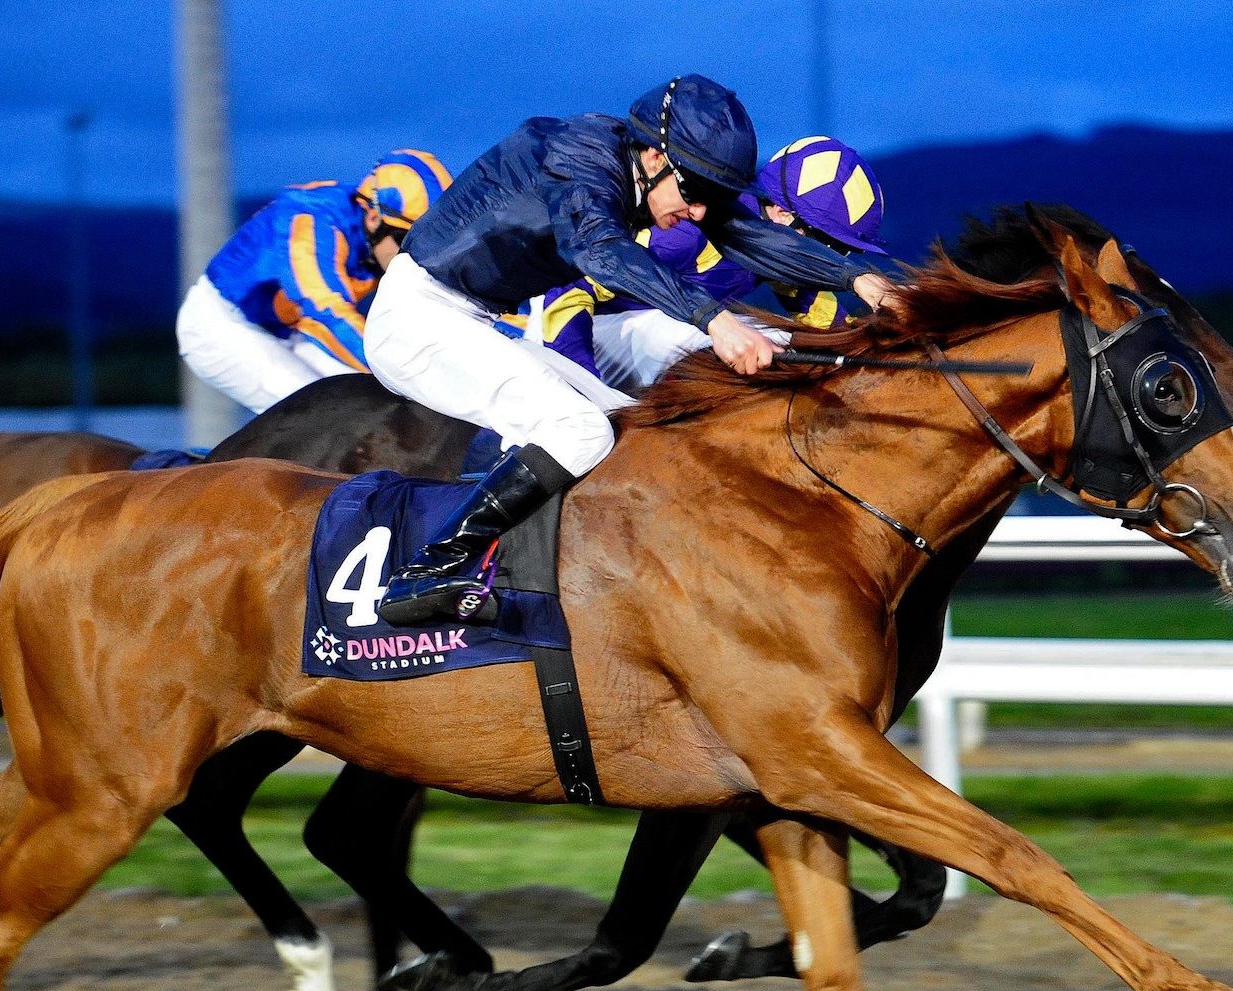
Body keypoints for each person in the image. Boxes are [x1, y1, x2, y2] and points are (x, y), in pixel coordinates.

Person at [367, 76, 882, 627]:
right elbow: (596, 245)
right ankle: (427, 574)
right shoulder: (579, 156)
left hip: (473, 318)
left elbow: (743, 234)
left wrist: (861, 279)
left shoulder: (650, 175)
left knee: (625, 427)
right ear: (656, 156)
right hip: (417, 320)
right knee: (581, 432)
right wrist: (714, 319)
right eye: (694, 193)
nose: (701, 213)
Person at [539, 135, 891, 394]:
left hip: (643, 340)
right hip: (571, 331)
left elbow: (831, 327)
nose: (831, 258)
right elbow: (568, 290)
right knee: (735, 335)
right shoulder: (687, 234)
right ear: (783, 214)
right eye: (829, 245)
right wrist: (583, 387)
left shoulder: (777, 250)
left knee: (784, 341)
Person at [176, 149, 453, 415]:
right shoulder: (312, 222)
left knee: (386, 408)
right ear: (373, 217)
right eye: (408, 242)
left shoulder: (380, 234)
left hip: (294, 328)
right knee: (326, 418)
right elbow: (326, 312)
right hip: (223, 325)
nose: (417, 255)